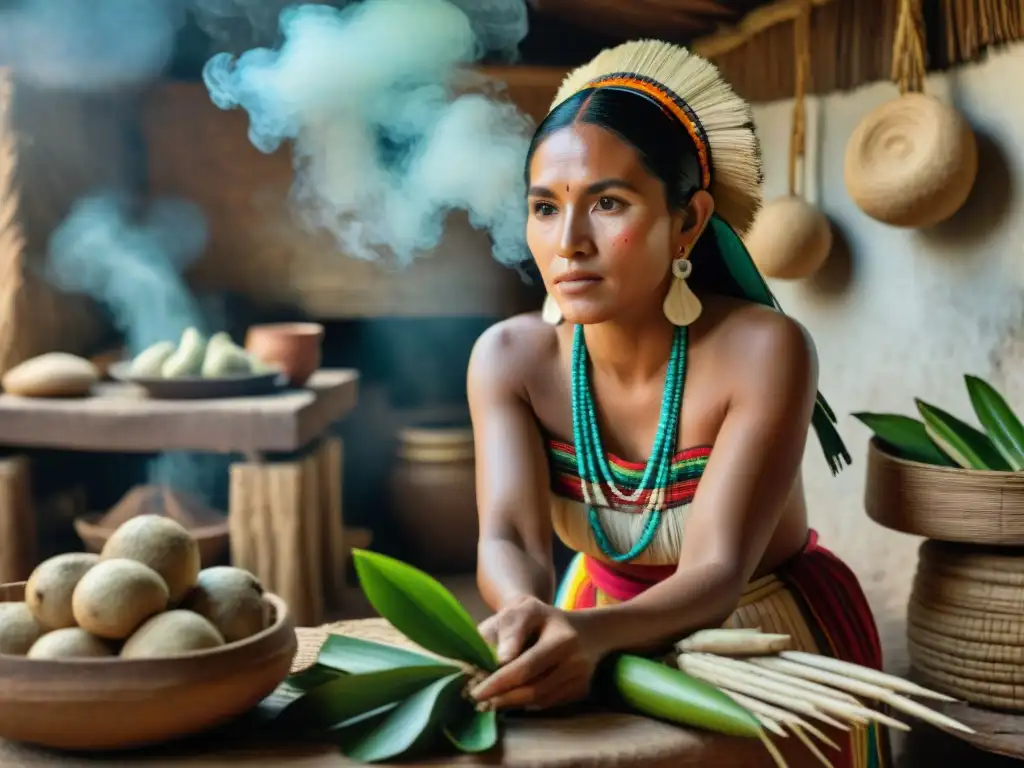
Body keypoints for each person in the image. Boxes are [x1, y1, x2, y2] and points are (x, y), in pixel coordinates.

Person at [465, 39, 889, 767]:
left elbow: (715, 574)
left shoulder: (765, 351)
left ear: (688, 221)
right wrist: (527, 619)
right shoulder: (509, 359)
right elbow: (510, 538)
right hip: (583, 620)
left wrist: (586, 637)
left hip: (760, 637)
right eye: (544, 207)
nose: (569, 242)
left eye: (607, 203)